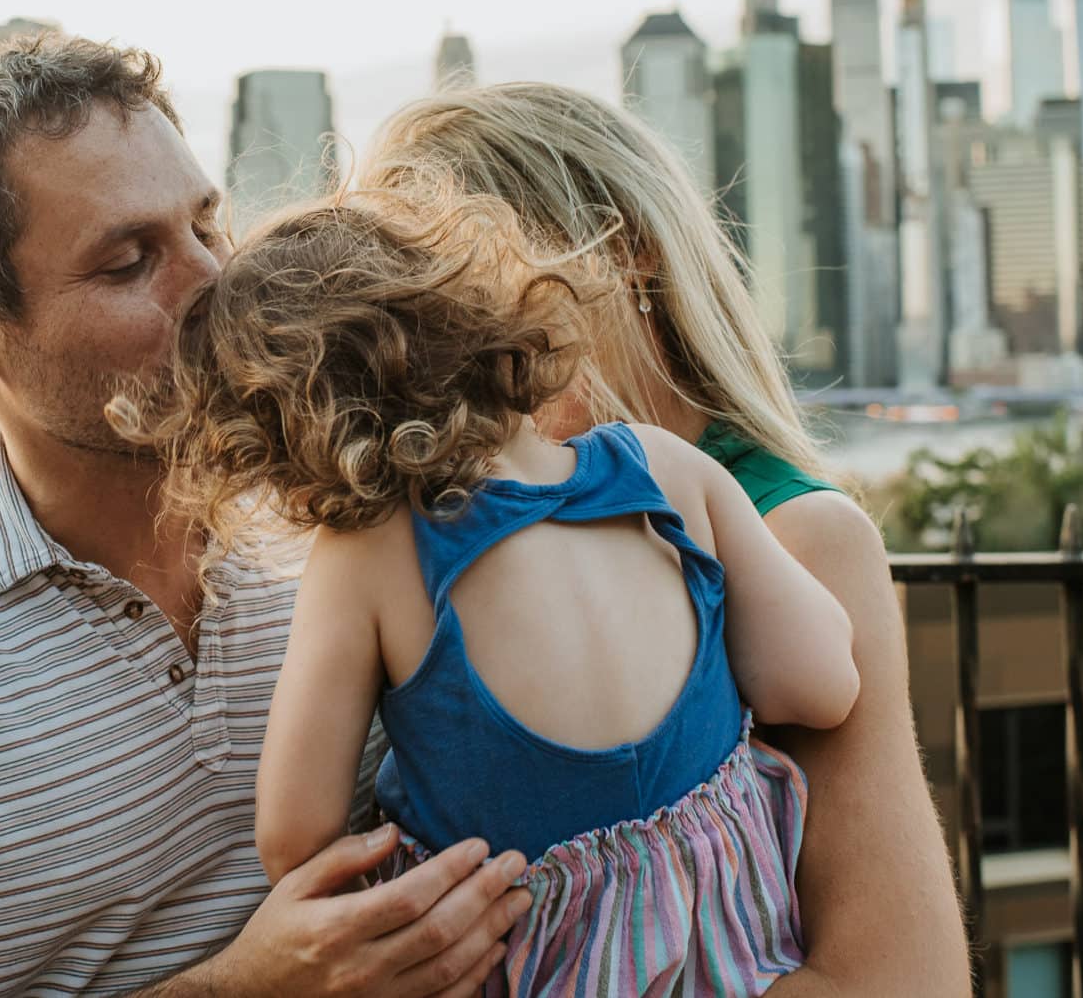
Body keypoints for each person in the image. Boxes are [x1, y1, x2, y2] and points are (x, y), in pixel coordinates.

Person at [0, 35, 529, 997]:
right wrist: (248, 987)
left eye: (205, 226)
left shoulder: (349, 506)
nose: (213, 283)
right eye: (128, 261)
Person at [111, 192, 859, 995]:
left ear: (278, 430)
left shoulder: (366, 551)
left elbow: (295, 833)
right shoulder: (663, 466)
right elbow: (819, 685)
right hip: (737, 961)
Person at [359, 81, 973, 995]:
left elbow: (899, 982)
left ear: (626, 253)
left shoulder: (794, 535)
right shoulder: (422, 534)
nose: (443, 360)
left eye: (469, 300)